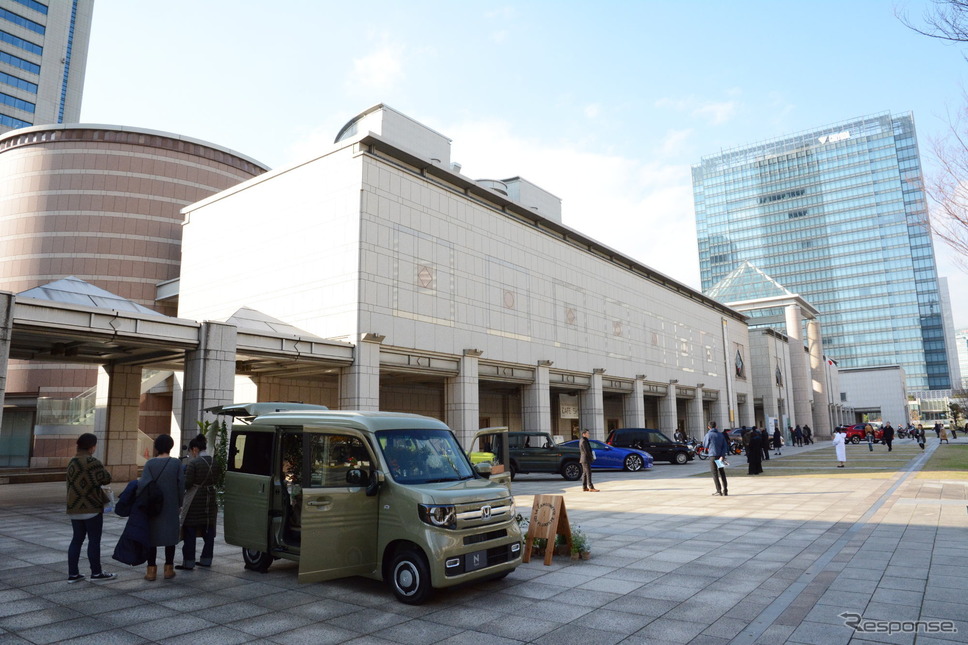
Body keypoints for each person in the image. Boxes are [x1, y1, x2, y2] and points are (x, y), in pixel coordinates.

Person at [66, 432, 115, 582]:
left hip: (74, 508)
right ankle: (96, 572)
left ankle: (73, 574)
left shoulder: (72, 462)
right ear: (92, 447)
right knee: (94, 540)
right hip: (91, 507)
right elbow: (106, 479)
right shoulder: (93, 462)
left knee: (76, 540)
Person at [139, 434, 184, 581]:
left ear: (156, 447)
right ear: (171, 446)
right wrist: (180, 503)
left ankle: (151, 571)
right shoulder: (176, 464)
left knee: (152, 538)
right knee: (170, 537)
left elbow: (143, 485)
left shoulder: (150, 464)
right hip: (171, 505)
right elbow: (181, 485)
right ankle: (168, 569)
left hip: (153, 506)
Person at [177, 434, 222, 569]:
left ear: (195, 449)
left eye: (190, 451)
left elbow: (187, 483)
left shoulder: (194, 463)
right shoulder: (215, 462)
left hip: (195, 500)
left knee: (190, 530)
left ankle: (189, 562)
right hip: (210, 499)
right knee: (208, 531)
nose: (190, 454)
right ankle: (206, 560)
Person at [703, 421, 729, 496]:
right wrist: (722, 455)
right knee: (722, 473)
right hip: (720, 456)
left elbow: (705, 445)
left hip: (713, 456)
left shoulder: (708, 434)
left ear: (708, 427)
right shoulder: (721, 434)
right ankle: (725, 490)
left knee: (715, 473)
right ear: (716, 426)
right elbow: (725, 446)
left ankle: (718, 490)